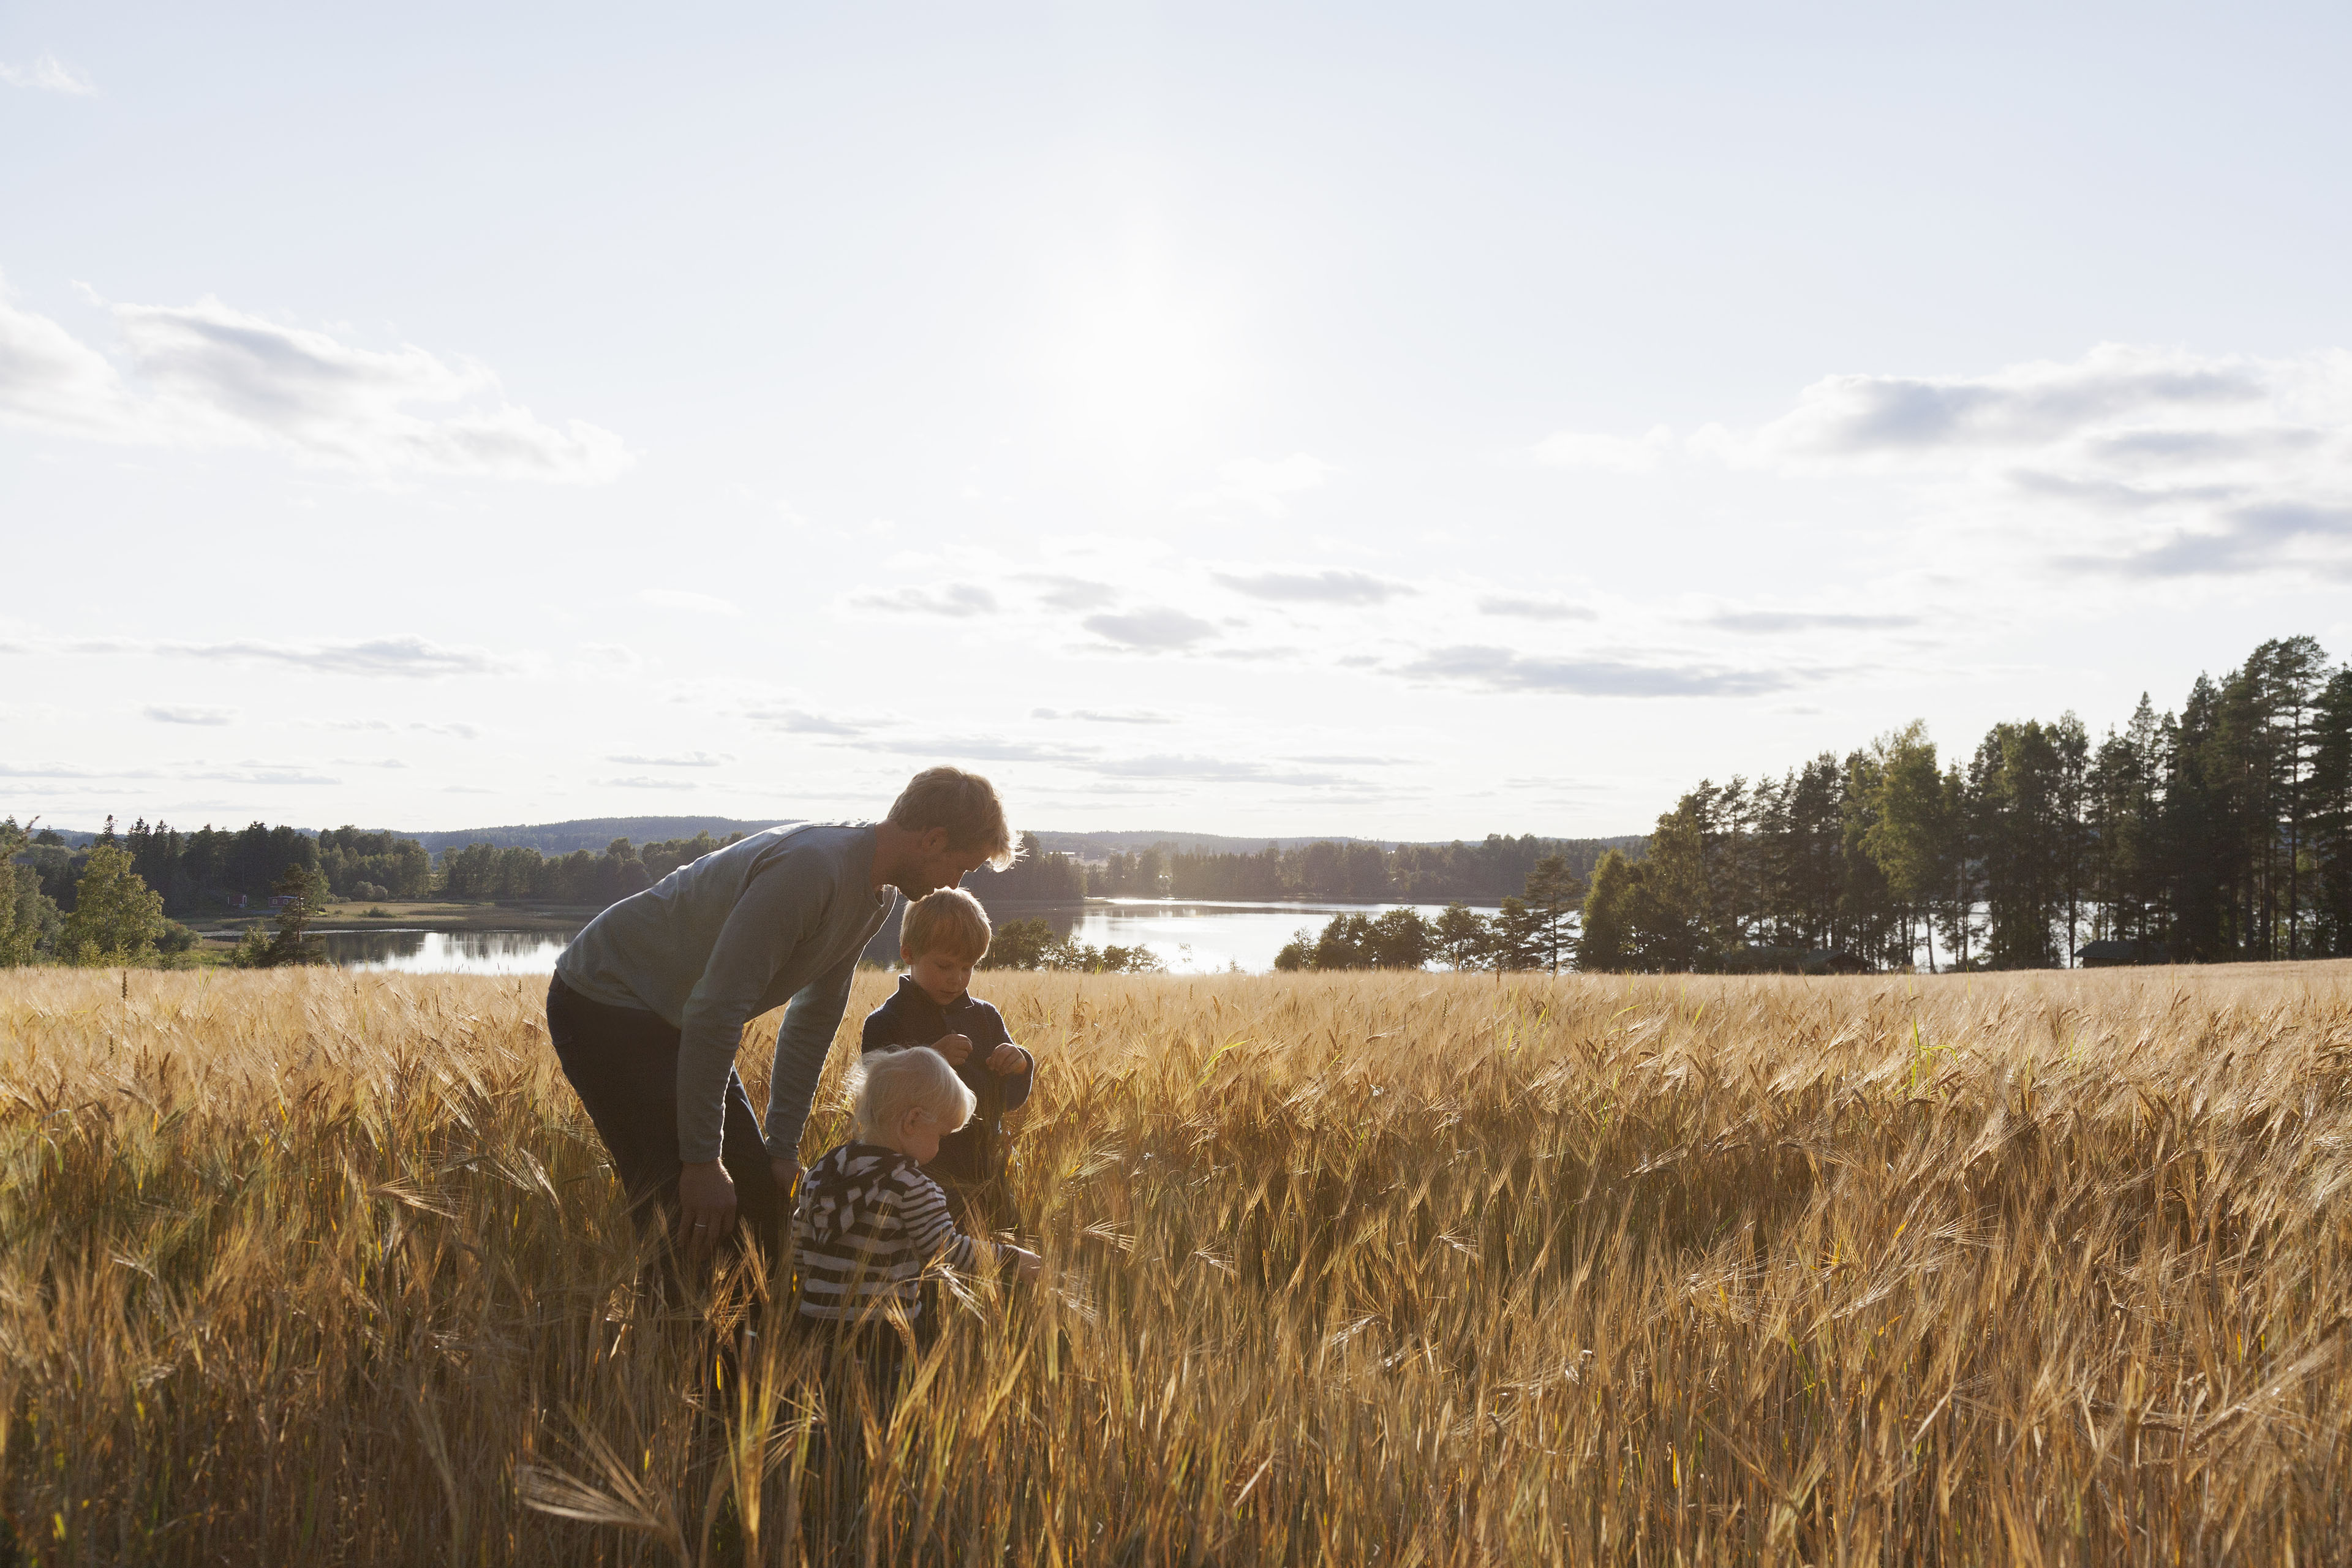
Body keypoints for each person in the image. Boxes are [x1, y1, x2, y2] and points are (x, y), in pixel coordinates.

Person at [543, 767, 1014, 1259]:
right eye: (963, 867)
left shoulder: (876, 894)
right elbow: (716, 1009)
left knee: (759, 1201)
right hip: (608, 1001)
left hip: (679, 1017)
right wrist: (702, 1161)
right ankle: (676, 1334)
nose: (956, 884)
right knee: (689, 1211)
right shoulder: (813, 869)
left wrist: (782, 1149)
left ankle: (736, 1334)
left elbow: (814, 1016)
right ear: (934, 840)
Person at [792, 1047, 1040, 1371]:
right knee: (884, 1412)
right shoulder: (912, 1187)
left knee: (830, 1413)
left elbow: (799, 1240)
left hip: (815, 1329)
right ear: (912, 1121)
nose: (940, 1148)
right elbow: (947, 1252)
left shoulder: (822, 1172)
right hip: (884, 1335)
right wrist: (1012, 1260)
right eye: (941, 1136)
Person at [859, 887, 1034, 1234]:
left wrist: (1020, 1063)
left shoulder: (985, 1017)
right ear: (909, 953)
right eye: (944, 966)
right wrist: (929, 1060)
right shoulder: (885, 1022)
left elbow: (1009, 1099)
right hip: (913, 1181)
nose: (957, 979)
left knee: (996, 1261)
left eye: (968, 968)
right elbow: (876, 1107)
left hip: (987, 1174)